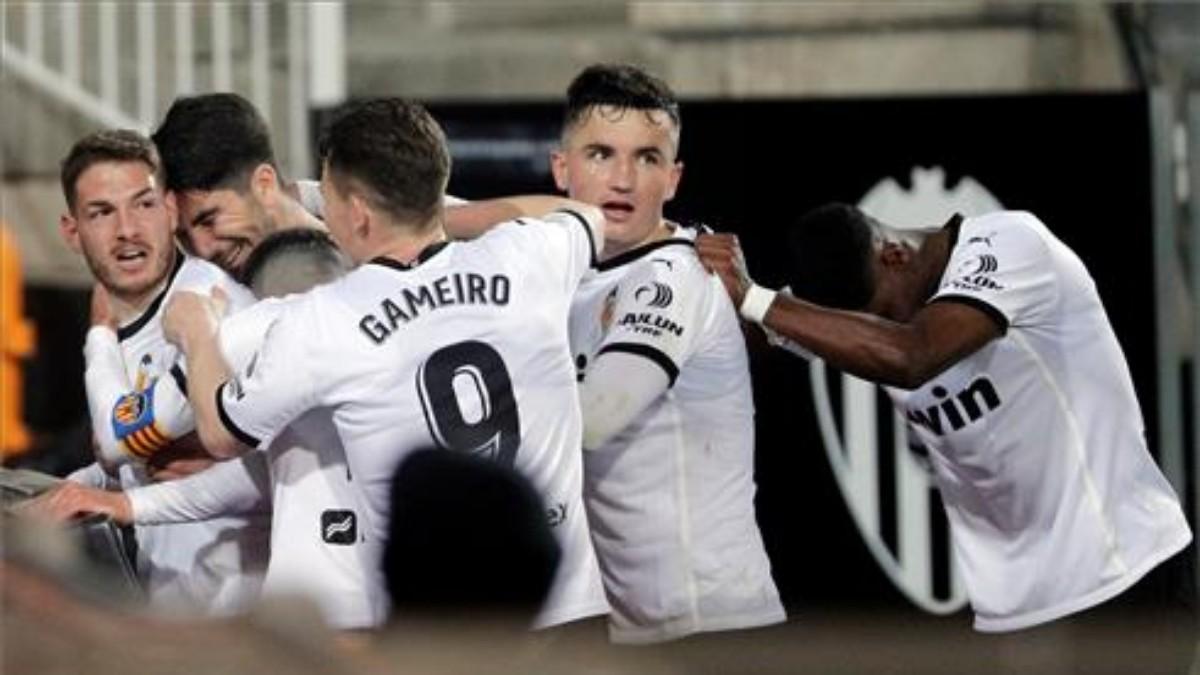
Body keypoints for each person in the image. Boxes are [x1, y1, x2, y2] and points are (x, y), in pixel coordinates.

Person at [164, 98, 610, 630]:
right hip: (568, 613)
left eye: (326, 198)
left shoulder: (323, 320)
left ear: (357, 212)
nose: (322, 211)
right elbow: (586, 216)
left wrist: (198, 333)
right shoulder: (529, 257)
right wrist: (430, 209)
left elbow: (217, 432)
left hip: (437, 633)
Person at [695, 203, 1194, 632]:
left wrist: (758, 300)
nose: (873, 337)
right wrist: (676, 268)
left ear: (895, 253)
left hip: (1124, 579)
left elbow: (911, 356)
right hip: (1009, 609)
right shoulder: (879, 300)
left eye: (883, 315)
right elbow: (739, 344)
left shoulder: (1013, 244)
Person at [29, 229, 392, 630]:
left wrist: (105, 334)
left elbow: (117, 438)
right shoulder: (398, 343)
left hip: (319, 618)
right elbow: (251, 475)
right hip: (376, 612)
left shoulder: (237, 336)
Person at [554, 64, 784, 644]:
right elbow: (435, 213)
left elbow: (597, 418)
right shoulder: (574, 267)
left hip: (713, 627)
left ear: (674, 178)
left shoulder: (674, 274)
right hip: (642, 628)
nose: (624, 179)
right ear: (563, 169)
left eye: (648, 158)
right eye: (601, 154)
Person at [52, 129, 269, 616]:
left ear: (171, 210)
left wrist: (99, 337)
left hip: (249, 620)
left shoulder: (207, 307)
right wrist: (55, 493)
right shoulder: (136, 320)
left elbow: (115, 438)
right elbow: (123, 463)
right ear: (72, 232)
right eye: (102, 213)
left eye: (143, 204)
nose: (127, 229)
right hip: (175, 617)